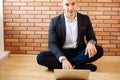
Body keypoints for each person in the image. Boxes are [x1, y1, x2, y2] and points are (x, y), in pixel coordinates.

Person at [36, 0, 103, 71]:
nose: (70, 8)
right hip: (62, 52)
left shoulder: (85, 19)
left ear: (77, 4)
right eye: (67, 5)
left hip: (79, 52)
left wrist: (91, 43)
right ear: (63, 6)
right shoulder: (54, 21)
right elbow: (52, 43)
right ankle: (78, 66)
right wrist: (63, 59)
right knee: (41, 57)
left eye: (73, 4)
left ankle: (68, 65)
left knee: (99, 50)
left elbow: (91, 37)